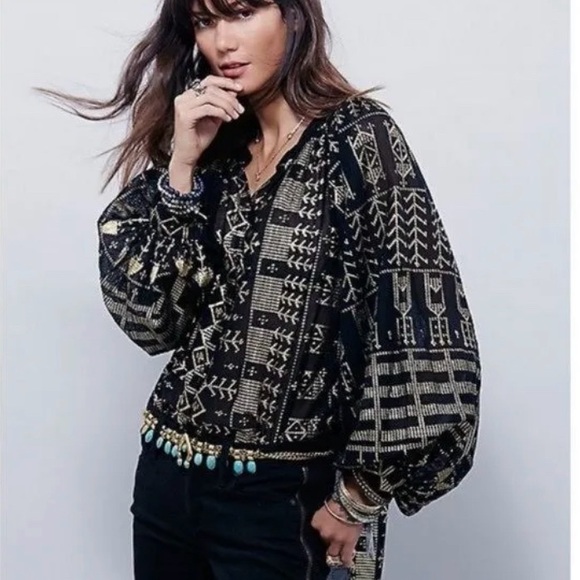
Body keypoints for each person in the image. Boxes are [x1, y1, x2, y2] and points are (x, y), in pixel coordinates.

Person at [37, 0, 481, 578]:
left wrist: (359, 495)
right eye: (204, 21)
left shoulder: (359, 139)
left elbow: (425, 322)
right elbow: (152, 321)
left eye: (242, 12)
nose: (222, 41)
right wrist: (181, 168)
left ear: (294, 15)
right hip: (166, 478)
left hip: (283, 496)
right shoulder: (214, 148)